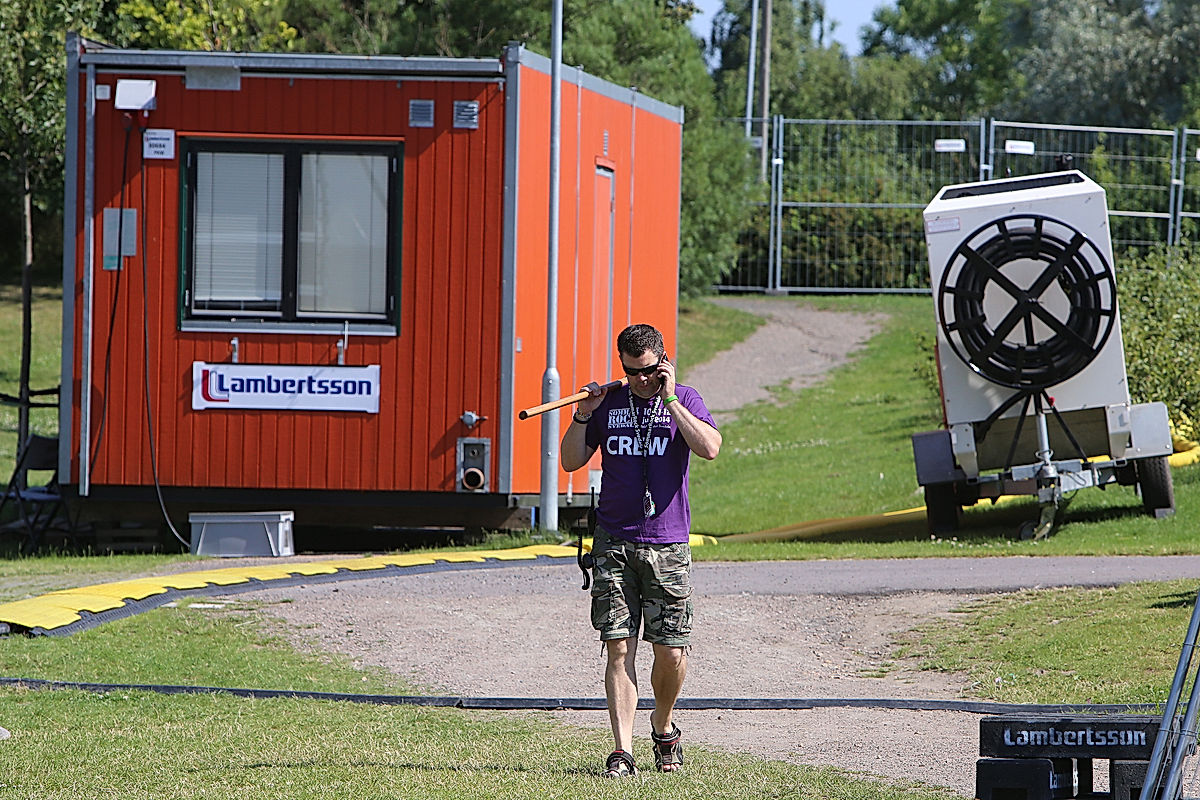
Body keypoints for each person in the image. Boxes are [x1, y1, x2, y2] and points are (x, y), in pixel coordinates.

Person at [560, 323, 721, 778]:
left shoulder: (684, 399)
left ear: (664, 363)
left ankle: (663, 724)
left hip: (667, 543)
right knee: (617, 647)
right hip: (614, 539)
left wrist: (670, 400)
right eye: (631, 373)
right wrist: (583, 414)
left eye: (648, 372)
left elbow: (710, 447)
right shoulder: (609, 402)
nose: (640, 381)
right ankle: (622, 751)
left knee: (671, 652)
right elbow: (571, 461)